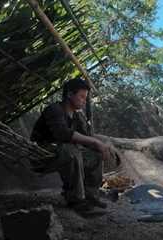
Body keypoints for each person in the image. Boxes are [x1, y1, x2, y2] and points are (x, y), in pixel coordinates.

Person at [30, 77, 110, 215]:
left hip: (61, 153)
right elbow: (63, 134)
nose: (84, 101)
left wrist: (101, 146)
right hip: (41, 155)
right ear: (69, 94)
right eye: (81, 97)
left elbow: (87, 138)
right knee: (71, 151)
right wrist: (95, 142)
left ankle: (91, 196)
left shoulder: (77, 117)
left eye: (85, 98)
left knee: (95, 155)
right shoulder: (54, 109)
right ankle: (76, 200)